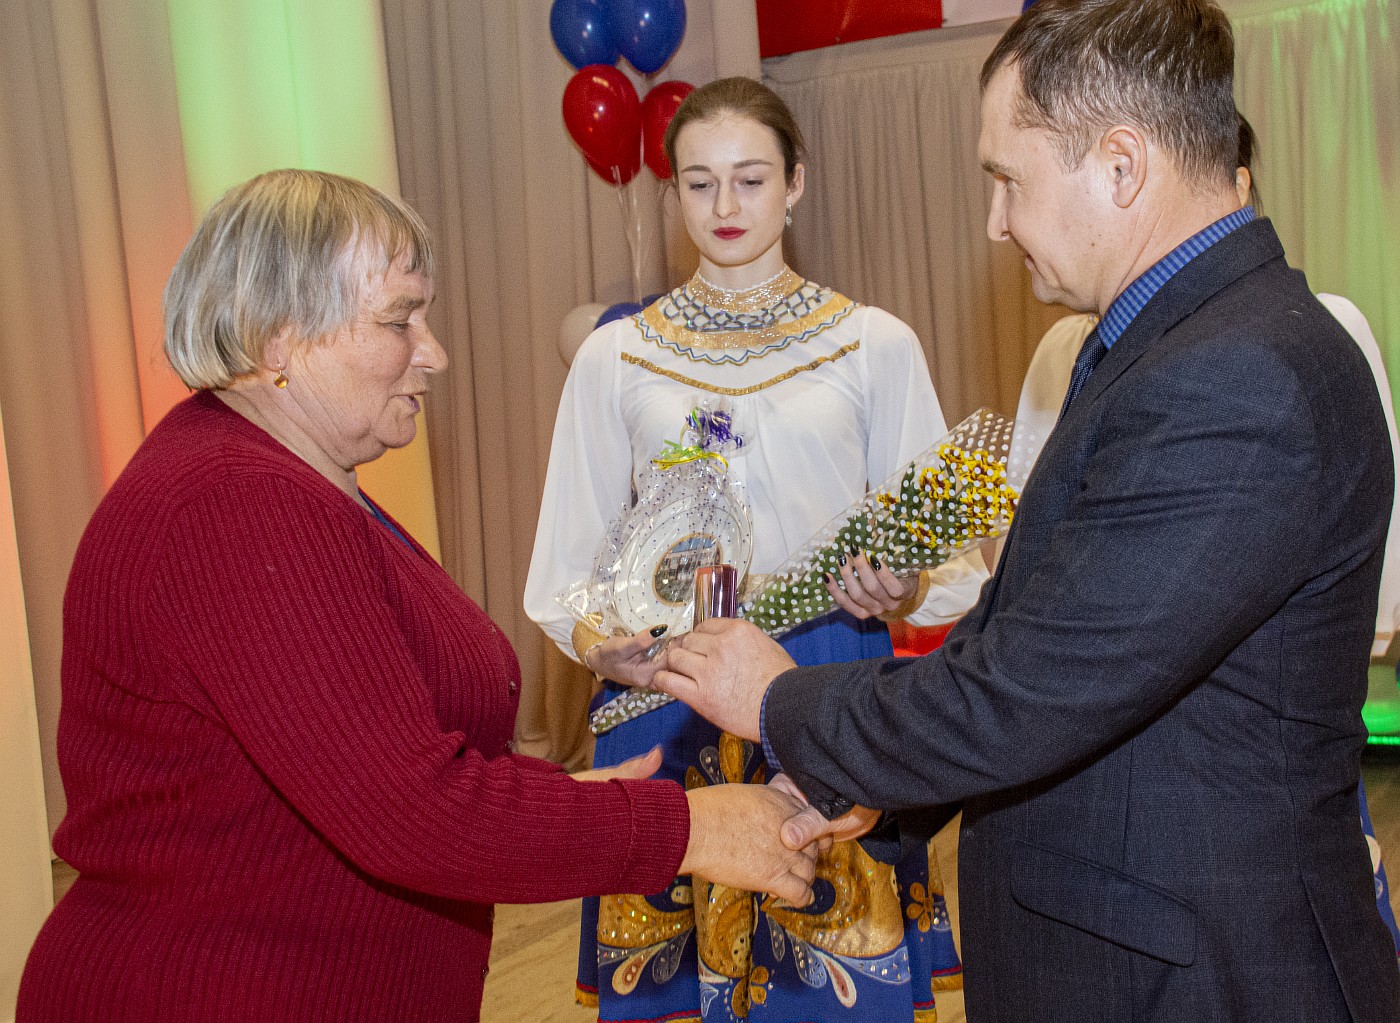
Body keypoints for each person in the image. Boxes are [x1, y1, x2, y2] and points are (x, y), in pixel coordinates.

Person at [652, 2, 1400, 1020]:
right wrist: (869, 771)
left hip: (1194, 974)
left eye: (1008, 178)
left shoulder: (1239, 372)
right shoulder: (1171, 343)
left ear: (1120, 166)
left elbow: (1031, 692)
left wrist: (780, 700)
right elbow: (1045, 634)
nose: (994, 221)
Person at [15, 169, 822, 1023]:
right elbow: (411, 813)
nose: (432, 351)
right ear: (278, 339)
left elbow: (359, 753)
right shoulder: (236, 503)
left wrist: (555, 797)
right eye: (400, 319)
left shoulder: (289, 481)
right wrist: (690, 829)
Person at [525, 77, 986, 1023]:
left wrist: (901, 588)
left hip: (823, 679)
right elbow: (567, 564)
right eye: (699, 184)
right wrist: (600, 644)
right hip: (669, 682)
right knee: (672, 993)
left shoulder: (873, 345)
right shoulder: (619, 357)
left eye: (749, 178)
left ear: (796, 183)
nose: (725, 207)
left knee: (829, 985)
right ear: (673, 194)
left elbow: (949, 559)